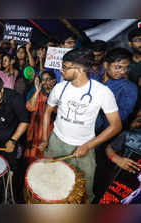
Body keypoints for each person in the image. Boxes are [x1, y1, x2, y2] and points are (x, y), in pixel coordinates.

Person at [40, 48, 122, 202]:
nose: (61, 70)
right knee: (51, 183)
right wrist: (45, 139)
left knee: (82, 191)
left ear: (78, 69)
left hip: (84, 148)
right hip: (56, 144)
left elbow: (116, 126)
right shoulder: (59, 88)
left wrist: (88, 146)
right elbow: (47, 112)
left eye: (64, 67)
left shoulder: (102, 92)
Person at [95, 48, 138, 132]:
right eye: (118, 67)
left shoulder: (129, 88)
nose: (123, 71)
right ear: (106, 65)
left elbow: (119, 117)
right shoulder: (94, 80)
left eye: (126, 68)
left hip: (105, 132)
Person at [24, 71, 56, 163]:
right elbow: (30, 107)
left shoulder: (57, 96)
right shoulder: (38, 94)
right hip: (34, 135)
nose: (45, 83)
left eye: (47, 79)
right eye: (43, 80)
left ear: (54, 81)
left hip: (49, 136)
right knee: (32, 163)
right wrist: (37, 91)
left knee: (47, 164)